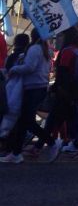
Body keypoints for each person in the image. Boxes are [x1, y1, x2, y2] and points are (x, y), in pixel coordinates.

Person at [32, 28, 78, 162]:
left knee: (69, 120)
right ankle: (39, 146)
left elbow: (63, 72)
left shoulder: (67, 51)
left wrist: (57, 87)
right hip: (74, 90)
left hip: (65, 92)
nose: (59, 38)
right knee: (57, 119)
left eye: (61, 35)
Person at [1, 31, 51, 164]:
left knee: (26, 121)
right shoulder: (43, 49)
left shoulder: (35, 49)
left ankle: (51, 142)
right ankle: (16, 153)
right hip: (37, 87)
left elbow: (30, 67)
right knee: (24, 122)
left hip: (33, 88)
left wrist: (15, 69)